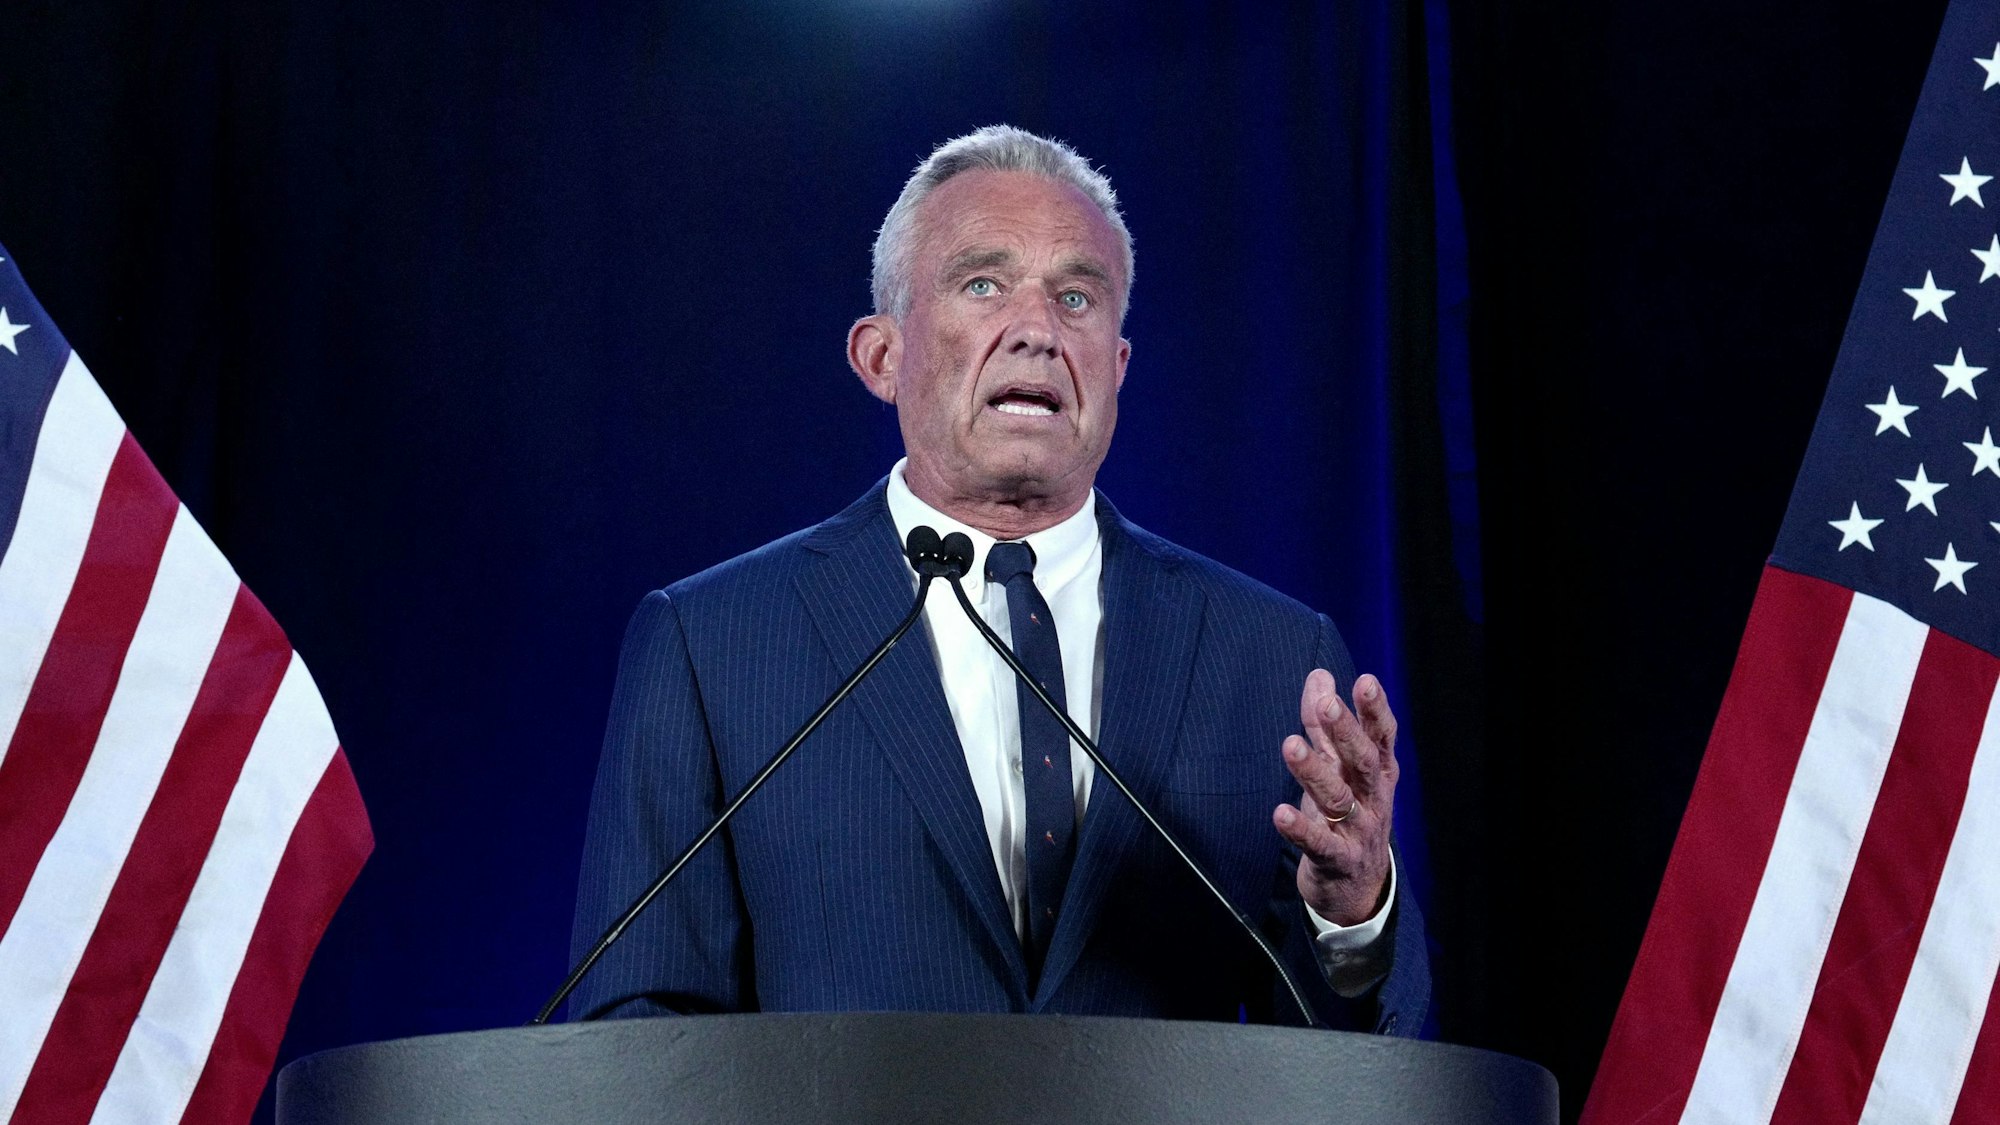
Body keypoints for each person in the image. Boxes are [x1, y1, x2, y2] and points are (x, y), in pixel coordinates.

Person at [569, 125, 1428, 1032]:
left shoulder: (1275, 654)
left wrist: (1353, 915)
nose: (1038, 331)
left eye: (1076, 297)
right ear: (881, 356)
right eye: (983, 284)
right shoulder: (711, 644)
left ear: (1117, 369)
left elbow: (1359, 1060)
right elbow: (640, 1029)